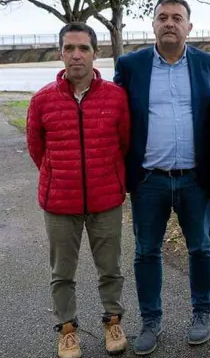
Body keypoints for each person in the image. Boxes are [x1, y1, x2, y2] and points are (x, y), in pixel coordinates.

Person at [113, 0, 210, 355]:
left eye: (178, 18)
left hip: (194, 178)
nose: (170, 23)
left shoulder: (207, 63)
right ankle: (150, 321)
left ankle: (202, 314)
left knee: (202, 249)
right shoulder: (131, 65)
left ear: (189, 26)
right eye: (163, 17)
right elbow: (117, 119)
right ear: (154, 25)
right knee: (146, 252)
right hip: (149, 180)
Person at [26, 21, 130, 358]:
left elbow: (124, 143)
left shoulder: (116, 97)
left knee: (110, 268)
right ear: (60, 54)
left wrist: (108, 176)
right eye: (69, 49)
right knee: (62, 273)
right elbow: (37, 149)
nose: (76, 56)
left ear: (94, 53)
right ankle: (67, 329)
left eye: (83, 48)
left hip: (106, 200)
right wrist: (61, 176)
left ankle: (112, 320)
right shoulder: (42, 100)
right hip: (60, 202)